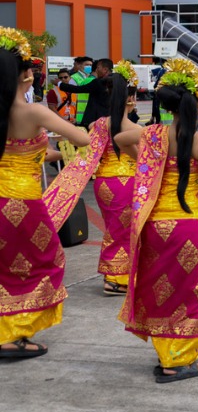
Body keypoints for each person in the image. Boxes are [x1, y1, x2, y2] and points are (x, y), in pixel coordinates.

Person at [113, 57, 198, 383]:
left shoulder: (154, 134)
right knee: (194, 292)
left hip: (156, 228)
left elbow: (118, 140)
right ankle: (178, 360)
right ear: (196, 101)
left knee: (162, 291)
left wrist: (147, 162)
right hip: (188, 227)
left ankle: (167, 354)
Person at [0, 29, 90, 360]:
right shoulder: (33, 112)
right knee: (43, 263)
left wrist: (45, 150)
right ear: (24, 74)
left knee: (6, 267)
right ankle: (11, 334)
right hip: (23, 202)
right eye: (33, 68)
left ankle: (8, 331)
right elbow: (81, 138)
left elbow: (27, 151)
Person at [44, 61, 141, 297]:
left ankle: (115, 273)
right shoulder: (133, 127)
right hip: (126, 182)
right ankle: (117, 277)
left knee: (113, 228)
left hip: (103, 183)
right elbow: (143, 159)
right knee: (126, 230)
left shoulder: (97, 124)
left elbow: (86, 154)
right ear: (129, 98)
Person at [59, 58, 114, 127]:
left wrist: (59, 84)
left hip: (94, 118)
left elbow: (78, 89)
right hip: (109, 118)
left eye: (98, 67)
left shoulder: (97, 82)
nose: (96, 69)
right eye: (87, 65)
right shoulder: (117, 80)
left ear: (105, 69)